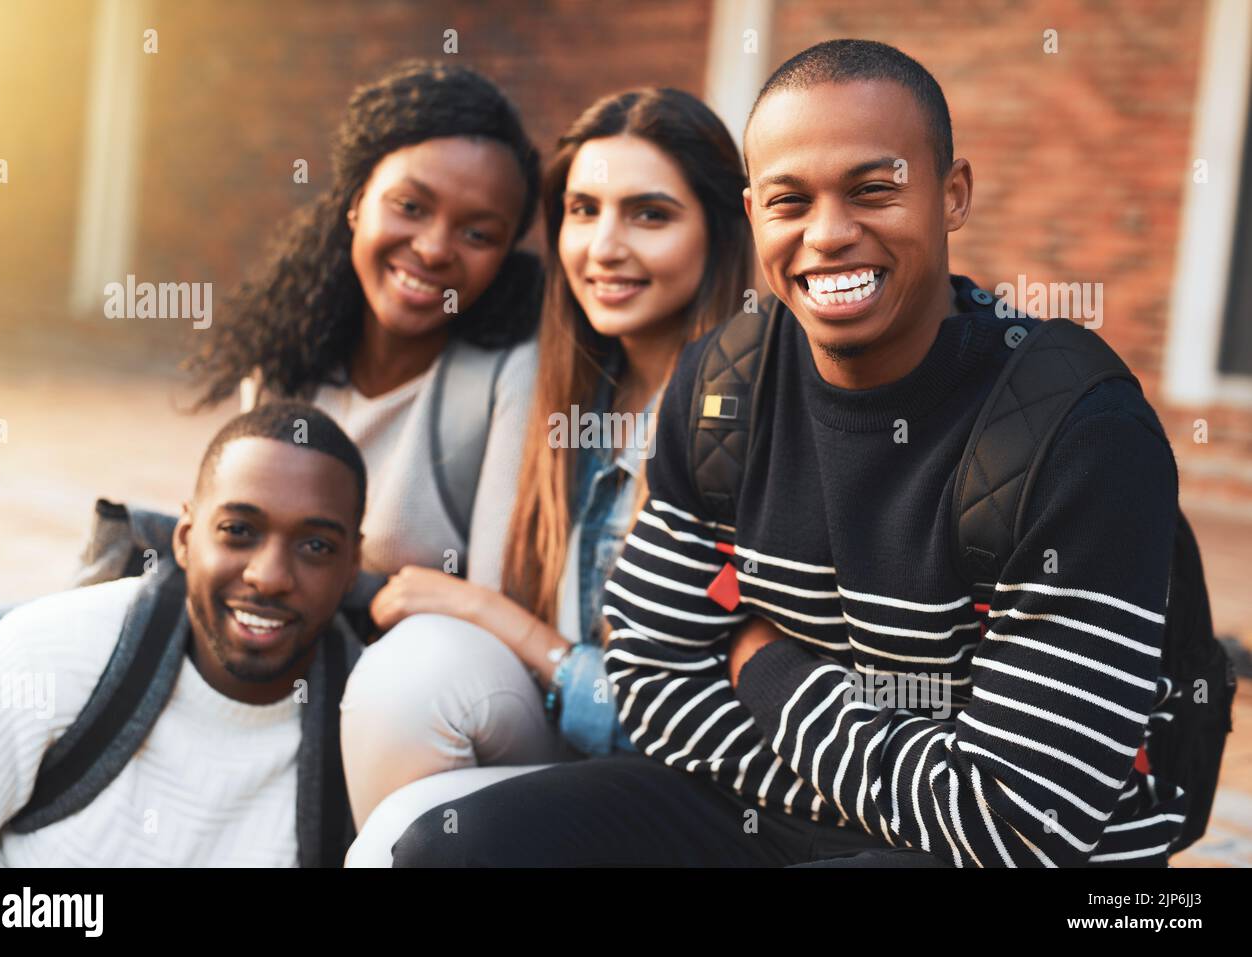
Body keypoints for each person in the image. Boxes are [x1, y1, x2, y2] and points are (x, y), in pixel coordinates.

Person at [390, 39, 1185, 868]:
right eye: (790, 200)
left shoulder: (1075, 431)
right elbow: (652, 680)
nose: (830, 234)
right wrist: (851, 770)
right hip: (763, 811)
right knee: (456, 848)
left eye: (875, 190)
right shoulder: (721, 384)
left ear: (953, 195)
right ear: (755, 211)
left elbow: (1017, 821)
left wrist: (762, 666)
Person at [0, 60, 543, 663]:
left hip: (378, 680)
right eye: (410, 207)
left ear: (504, 254)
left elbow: (489, 610)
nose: (434, 247)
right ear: (358, 201)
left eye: (477, 234)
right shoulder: (296, 341)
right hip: (245, 639)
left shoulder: (508, 376)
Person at [338, 87, 754, 865]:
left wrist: (498, 617)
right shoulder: (565, 395)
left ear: (720, 234)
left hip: (693, 793)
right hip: (563, 748)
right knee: (413, 676)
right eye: (583, 209)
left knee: (392, 845)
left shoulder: (750, 418)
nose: (604, 247)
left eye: (650, 215)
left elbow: (706, 724)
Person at [0, 402, 367, 866]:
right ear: (186, 537)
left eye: (316, 546)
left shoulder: (372, 735)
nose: (269, 576)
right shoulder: (57, 649)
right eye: (238, 530)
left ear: (352, 565)